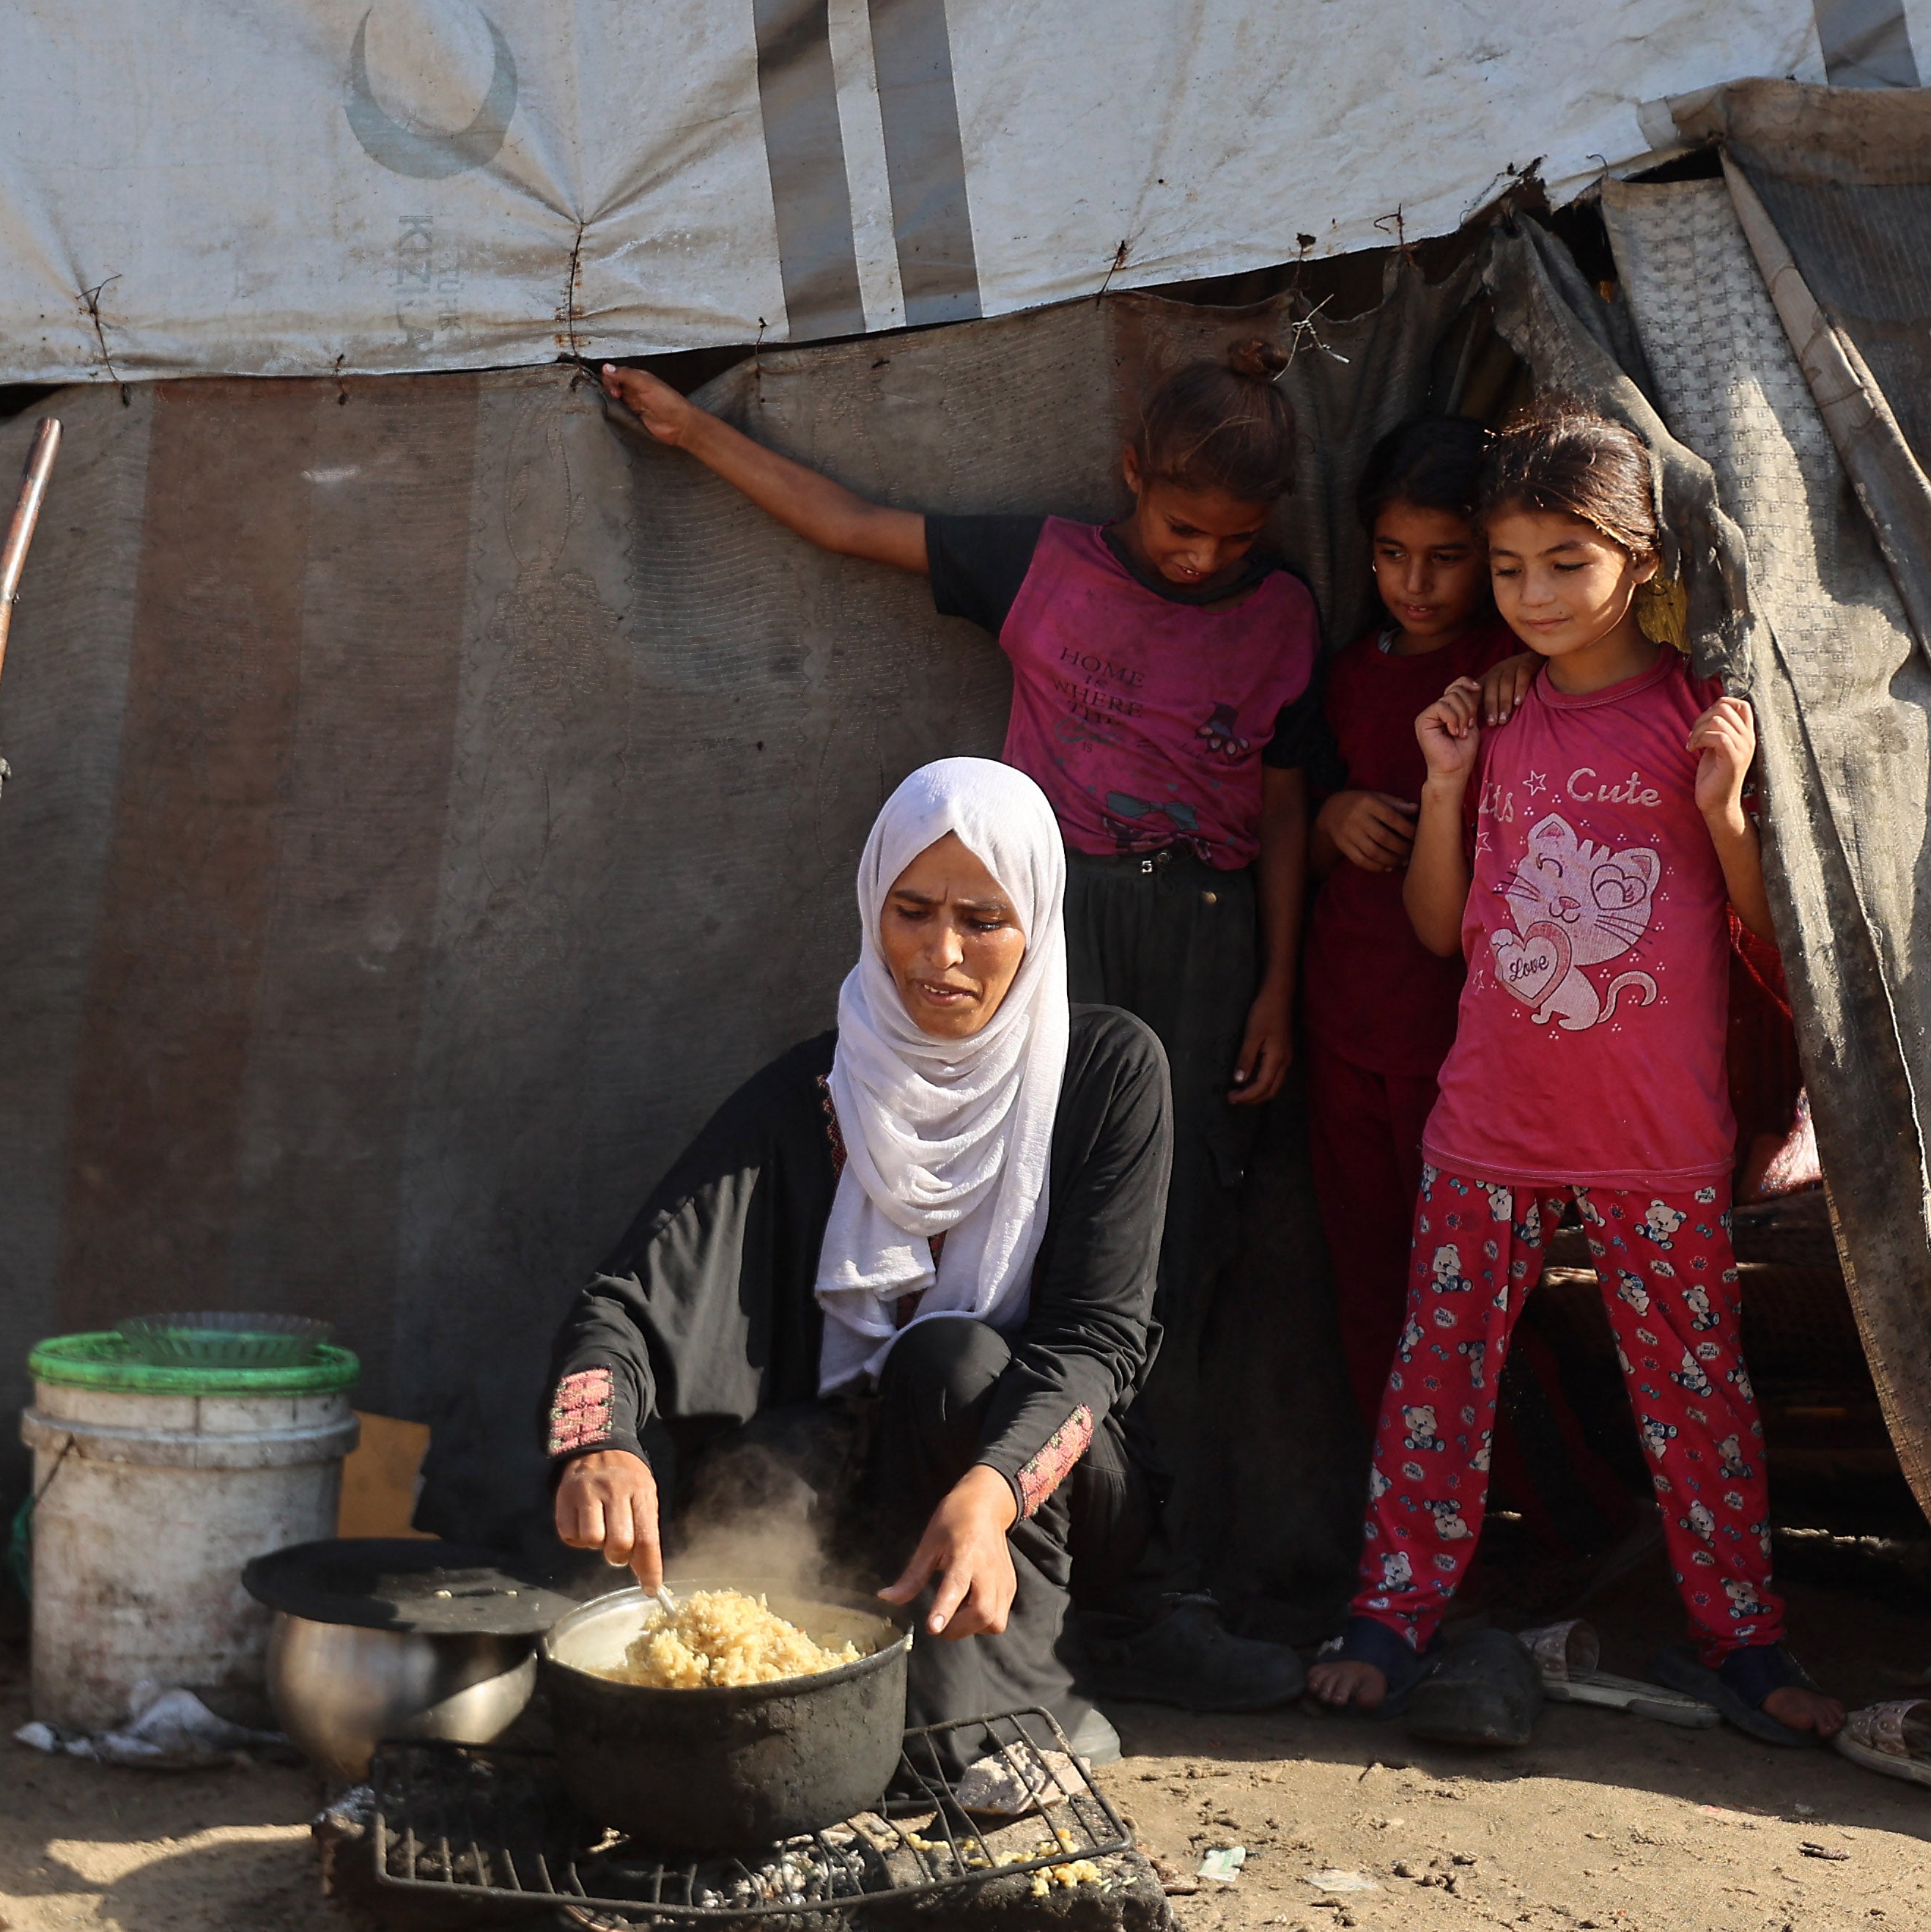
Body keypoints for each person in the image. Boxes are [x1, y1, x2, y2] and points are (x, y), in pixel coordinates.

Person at [600, 350, 1315, 1712]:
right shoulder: (1042, 572)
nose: (1201, 560)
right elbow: (847, 523)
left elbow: (1284, 803)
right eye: (1179, 528)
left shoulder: (1281, 613)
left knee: (1164, 1273)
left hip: (1205, 940)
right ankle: (949, 1568)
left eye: (1234, 537)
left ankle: (1149, 1589)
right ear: (1128, 486)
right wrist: (692, 432)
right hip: (1054, 913)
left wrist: (1280, 977)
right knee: (958, 1275)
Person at [1307, 413, 1845, 1745]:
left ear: (1641, 557)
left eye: (1565, 564)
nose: (1532, 597)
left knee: (1694, 1388)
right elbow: (1442, 930)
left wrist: (1723, 811)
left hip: (1652, 1132)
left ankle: (1742, 1639)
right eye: (1508, 569)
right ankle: (1394, 1608)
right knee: (1441, 1371)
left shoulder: (1691, 716)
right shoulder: (1488, 719)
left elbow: (1770, 939)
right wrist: (1439, 788)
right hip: (1487, 1113)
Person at [544, 759, 1169, 1754]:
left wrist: (991, 1489)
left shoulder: (1104, 1073)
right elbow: (632, 1295)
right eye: (911, 911)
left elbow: (1098, 1345)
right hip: (860, 1481)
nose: (940, 953)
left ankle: (1023, 1709)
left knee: (948, 1360)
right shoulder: (817, 1089)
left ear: (1037, 925)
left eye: (983, 921)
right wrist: (597, 1441)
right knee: (759, 1490)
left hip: (1034, 1484)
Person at [1301, 416, 1515, 1423]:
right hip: (1343, 1017)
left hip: (1458, 1033)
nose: (1414, 583)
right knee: (1366, 1270)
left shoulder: (1509, 669)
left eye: (1445, 558)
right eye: (1391, 556)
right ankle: (1383, 1485)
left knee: (1466, 1281)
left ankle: (1499, 1505)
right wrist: (1333, 818)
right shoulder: (1347, 675)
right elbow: (1282, 843)